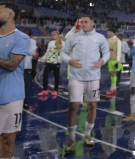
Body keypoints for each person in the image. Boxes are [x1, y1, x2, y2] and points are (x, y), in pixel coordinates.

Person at [60, 15, 110, 152]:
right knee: (74, 106)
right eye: (81, 22)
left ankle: (87, 135)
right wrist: (70, 61)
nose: (83, 24)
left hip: (93, 77)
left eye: (86, 22)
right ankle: (71, 139)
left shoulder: (100, 37)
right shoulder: (73, 37)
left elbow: (106, 53)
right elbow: (63, 53)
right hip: (76, 76)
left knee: (92, 105)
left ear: (93, 23)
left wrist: (103, 61)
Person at [0, 2, 30, 159]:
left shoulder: (22, 38)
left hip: (11, 98)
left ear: (9, 15)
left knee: (8, 140)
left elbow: (12, 65)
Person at [38, 30, 63, 98]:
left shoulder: (62, 43)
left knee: (56, 77)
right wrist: (42, 59)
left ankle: (55, 90)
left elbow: (64, 52)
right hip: (49, 62)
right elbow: (47, 52)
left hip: (56, 62)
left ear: (58, 35)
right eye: (52, 35)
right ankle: (45, 90)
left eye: (54, 35)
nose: (53, 36)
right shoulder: (50, 43)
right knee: (45, 75)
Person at [22, 28, 37, 108]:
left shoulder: (32, 42)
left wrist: (23, 47)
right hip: (17, 65)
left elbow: (32, 52)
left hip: (27, 66)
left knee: (26, 84)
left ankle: (25, 100)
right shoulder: (18, 40)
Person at [105, 28, 122, 96]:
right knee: (111, 74)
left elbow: (119, 50)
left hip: (115, 60)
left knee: (113, 74)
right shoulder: (108, 40)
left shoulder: (117, 40)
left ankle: (113, 89)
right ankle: (112, 88)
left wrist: (118, 60)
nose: (107, 33)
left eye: (108, 32)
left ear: (112, 32)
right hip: (110, 59)